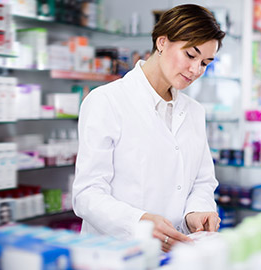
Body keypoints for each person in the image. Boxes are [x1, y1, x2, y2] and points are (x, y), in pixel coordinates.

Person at [72, 4, 225, 252]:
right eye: (190, 55)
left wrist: (196, 211)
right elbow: (87, 194)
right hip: (116, 253)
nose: (196, 70)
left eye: (205, 62)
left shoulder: (195, 112)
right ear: (162, 42)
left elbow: (202, 181)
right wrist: (137, 222)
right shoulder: (107, 101)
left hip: (175, 253)